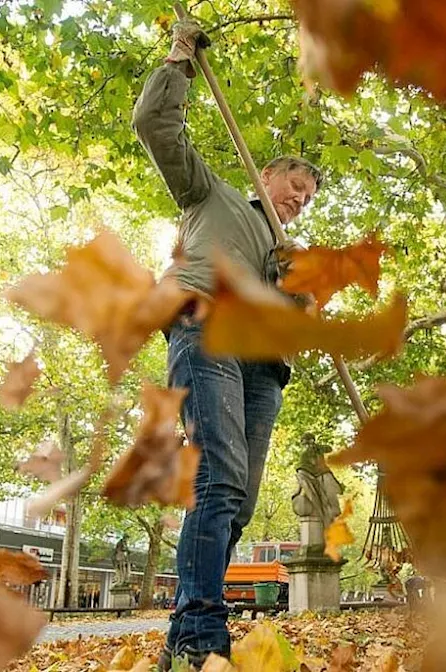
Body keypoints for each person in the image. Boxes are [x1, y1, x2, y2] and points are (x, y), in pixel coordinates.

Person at [132, 18, 323, 671]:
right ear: (267, 176)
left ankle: (193, 623)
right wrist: (180, 61)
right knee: (218, 475)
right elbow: (157, 128)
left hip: (264, 369)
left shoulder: (289, 258)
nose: (298, 202)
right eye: (293, 189)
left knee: (237, 497)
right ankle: (195, 638)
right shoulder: (213, 196)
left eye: (306, 200)